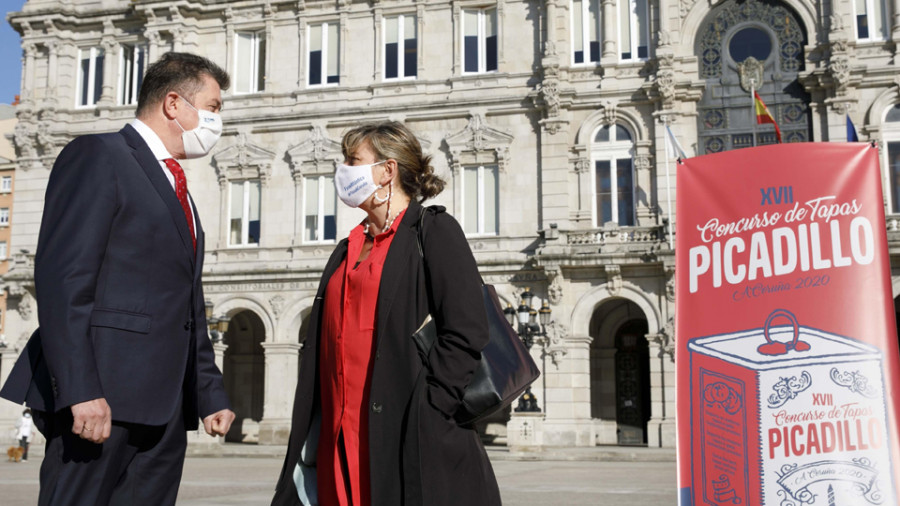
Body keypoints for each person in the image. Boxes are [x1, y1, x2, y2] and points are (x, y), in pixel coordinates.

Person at [0, 52, 235, 505]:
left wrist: (209, 391)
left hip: (164, 409)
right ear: (173, 104)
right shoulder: (98, 155)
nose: (216, 120)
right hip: (100, 400)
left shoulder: (178, 186)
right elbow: (64, 282)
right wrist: (81, 389)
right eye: (213, 106)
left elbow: (187, 302)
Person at [272, 122, 501, 506]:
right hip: (339, 433)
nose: (341, 169)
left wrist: (430, 408)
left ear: (387, 170)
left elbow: (467, 330)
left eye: (353, 160)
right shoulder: (347, 248)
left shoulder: (433, 231)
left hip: (403, 430)